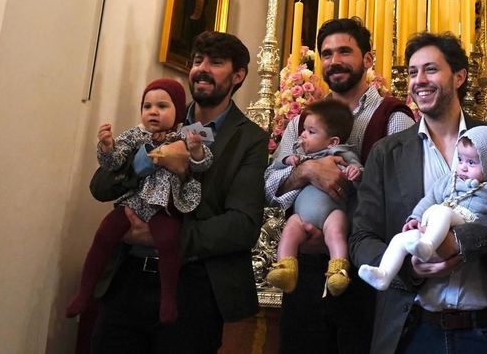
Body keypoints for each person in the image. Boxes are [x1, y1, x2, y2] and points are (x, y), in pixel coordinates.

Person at [351, 32, 487, 354]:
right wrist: (410, 268)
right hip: (413, 331)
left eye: (430, 69)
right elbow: (362, 238)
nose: (419, 80)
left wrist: (460, 241)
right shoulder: (387, 153)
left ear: (458, 76)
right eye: (413, 72)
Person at [86, 31, 269, 354]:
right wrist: (147, 160)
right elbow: (100, 187)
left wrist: (165, 237)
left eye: (216, 63)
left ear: (238, 75)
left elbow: (242, 225)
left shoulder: (250, 139)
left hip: (193, 287)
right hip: (127, 280)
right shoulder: (161, 118)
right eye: (198, 61)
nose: (202, 69)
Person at [264, 18, 414, 353]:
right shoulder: (302, 122)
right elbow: (270, 184)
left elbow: (402, 196)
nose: (334, 60)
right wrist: (307, 172)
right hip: (305, 266)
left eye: (345, 51)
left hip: (365, 270)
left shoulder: (394, 117)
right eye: (327, 53)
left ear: (368, 59)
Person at [67, 78, 212, 324]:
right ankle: (84, 292)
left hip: (165, 203)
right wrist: (106, 147)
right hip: (134, 201)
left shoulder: (190, 132)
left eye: (162, 106)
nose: (153, 112)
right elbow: (114, 165)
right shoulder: (135, 133)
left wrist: (196, 149)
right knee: (104, 234)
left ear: (178, 109)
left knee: (167, 241)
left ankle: (168, 298)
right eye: (147, 106)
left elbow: (204, 164)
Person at [358, 125, 487, 289]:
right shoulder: (450, 179)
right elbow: (429, 198)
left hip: (466, 221)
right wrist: (415, 218)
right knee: (401, 239)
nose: (463, 167)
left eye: (471, 162)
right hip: (436, 222)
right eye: (461, 159)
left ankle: (428, 245)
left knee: (443, 211)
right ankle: (384, 274)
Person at [265, 97, 364, 296]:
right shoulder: (302, 156)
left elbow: (361, 172)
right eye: (304, 130)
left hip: (332, 213)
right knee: (289, 231)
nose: (303, 135)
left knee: (336, 233)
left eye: (311, 132)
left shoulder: (342, 153)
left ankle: (338, 271)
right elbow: (273, 167)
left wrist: (355, 172)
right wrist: (287, 159)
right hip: (301, 217)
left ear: (332, 141)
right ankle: (285, 269)